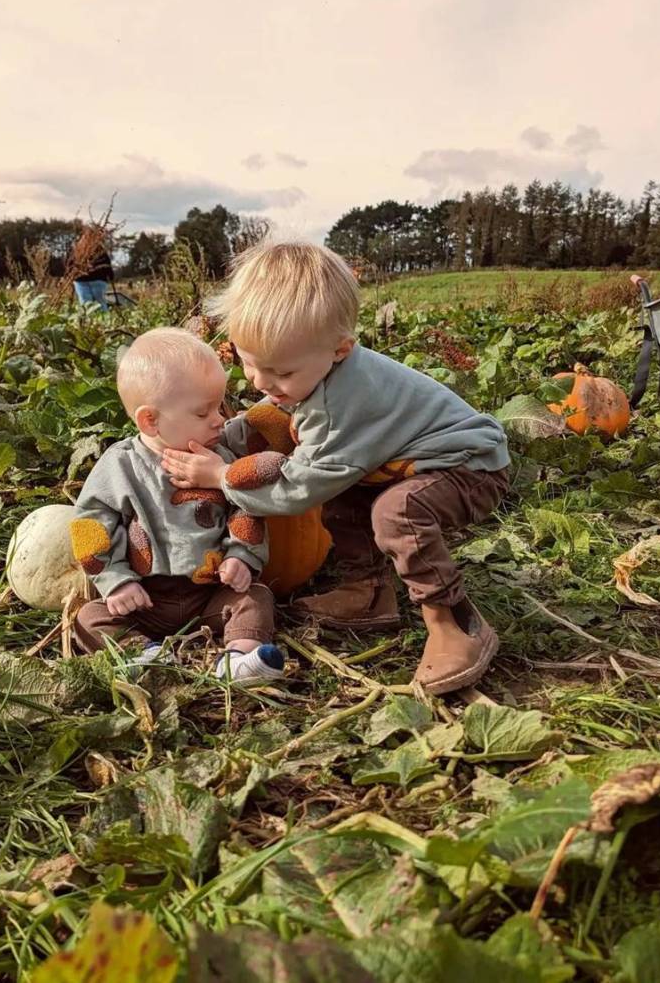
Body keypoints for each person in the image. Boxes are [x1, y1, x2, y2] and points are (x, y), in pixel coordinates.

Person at [161, 241, 510, 695]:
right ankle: (366, 592)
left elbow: (299, 490)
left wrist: (219, 477)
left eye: (282, 373)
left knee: (397, 513)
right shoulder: (316, 373)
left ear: (341, 349)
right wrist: (220, 437)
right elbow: (274, 414)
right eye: (248, 362)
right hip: (407, 461)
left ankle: (453, 622)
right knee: (348, 491)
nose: (261, 382)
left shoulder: (341, 408)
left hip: (468, 465)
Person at [70, 327, 284, 683]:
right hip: (145, 598)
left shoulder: (218, 459)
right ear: (150, 420)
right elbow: (91, 523)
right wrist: (116, 581)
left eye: (219, 407)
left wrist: (240, 557)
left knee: (255, 597)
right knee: (88, 619)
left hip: (211, 593)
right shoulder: (120, 466)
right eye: (203, 413)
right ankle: (144, 654)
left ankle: (239, 656)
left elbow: (244, 509)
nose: (219, 420)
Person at [70, 227, 114, 310]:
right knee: (100, 303)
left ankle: (89, 318)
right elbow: (107, 264)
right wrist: (111, 276)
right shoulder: (100, 250)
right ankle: (103, 317)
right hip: (98, 279)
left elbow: (71, 265)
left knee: (85, 304)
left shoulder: (77, 250)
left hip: (81, 280)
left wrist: (70, 275)